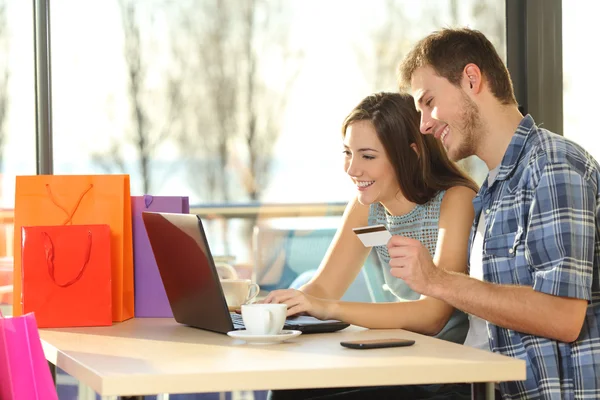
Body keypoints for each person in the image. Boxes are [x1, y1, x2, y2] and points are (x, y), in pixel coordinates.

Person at [392, 27, 600, 399]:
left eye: (428, 101)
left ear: (472, 79)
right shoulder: (493, 189)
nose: (423, 125)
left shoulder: (552, 166)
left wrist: (437, 280)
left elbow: (563, 317)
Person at [265, 91, 479, 399]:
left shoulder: (456, 201)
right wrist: (275, 307)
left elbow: (433, 316)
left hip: (445, 372)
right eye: (348, 153)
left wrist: (329, 309)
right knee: (288, 390)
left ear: (412, 153)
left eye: (367, 156)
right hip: (397, 358)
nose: (353, 170)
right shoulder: (368, 205)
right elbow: (323, 289)